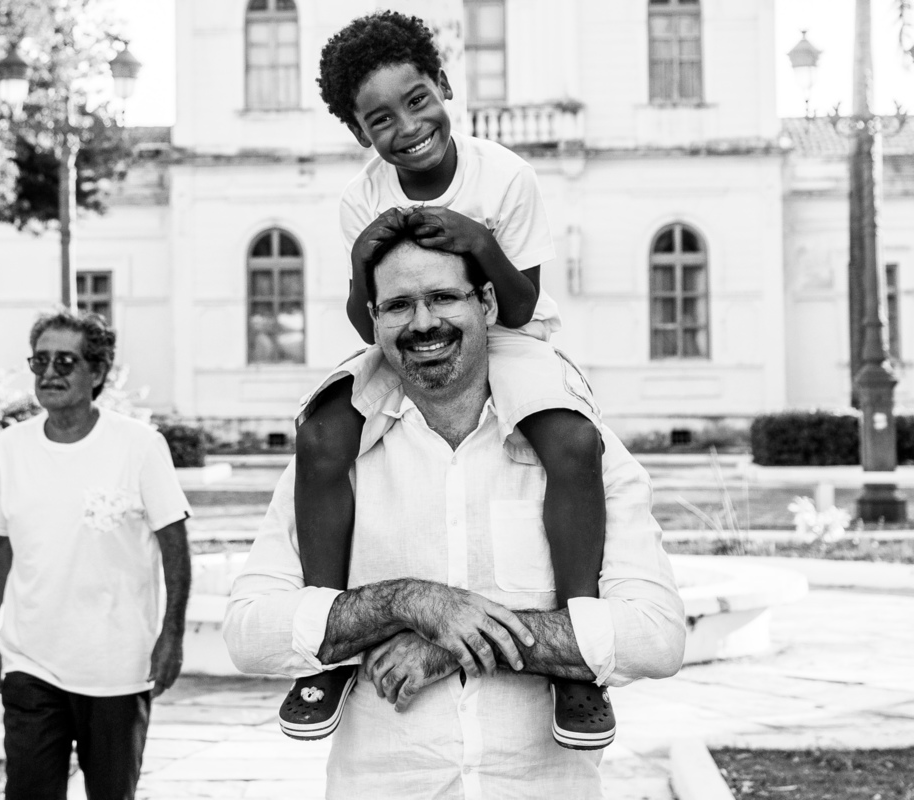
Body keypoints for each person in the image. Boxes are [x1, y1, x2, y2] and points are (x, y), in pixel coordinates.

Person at [224, 217, 686, 799]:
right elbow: (248, 632)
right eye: (399, 305)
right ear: (374, 320)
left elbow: (656, 636)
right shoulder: (336, 459)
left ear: (487, 303)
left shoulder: (581, 448)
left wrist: (451, 641)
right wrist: (409, 601)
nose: (423, 323)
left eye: (443, 297)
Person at [283, 9, 611, 749]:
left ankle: (577, 655)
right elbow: (369, 325)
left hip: (508, 337)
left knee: (570, 443)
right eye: (380, 119)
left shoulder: (505, 176)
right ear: (359, 132)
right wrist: (365, 253)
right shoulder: (361, 198)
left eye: (417, 99)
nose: (408, 126)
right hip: (408, 339)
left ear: (443, 85)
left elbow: (519, 305)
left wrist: (478, 243)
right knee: (322, 434)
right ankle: (327, 642)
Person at [0, 310, 192, 800]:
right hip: (31, 662)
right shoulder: (10, 447)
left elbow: (174, 546)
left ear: (97, 371)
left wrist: (171, 633)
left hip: (116, 668)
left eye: (65, 362)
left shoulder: (139, 446)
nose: (49, 373)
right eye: (40, 361)